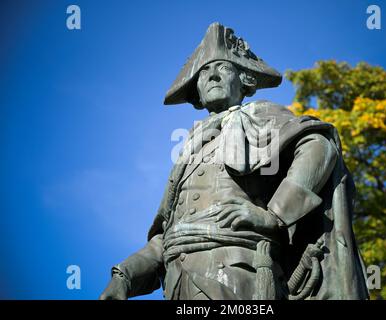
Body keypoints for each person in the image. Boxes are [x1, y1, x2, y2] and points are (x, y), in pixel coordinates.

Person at [100, 22, 369, 300]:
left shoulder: (264, 115)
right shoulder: (188, 151)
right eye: (204, 71)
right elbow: (167, 236)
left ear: (245, 80)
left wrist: (275, 215)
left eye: (224, 68)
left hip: (240, 274)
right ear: (197, 92)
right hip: (179, 285)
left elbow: (319, 147)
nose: (213, 75)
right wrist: (125, 275)